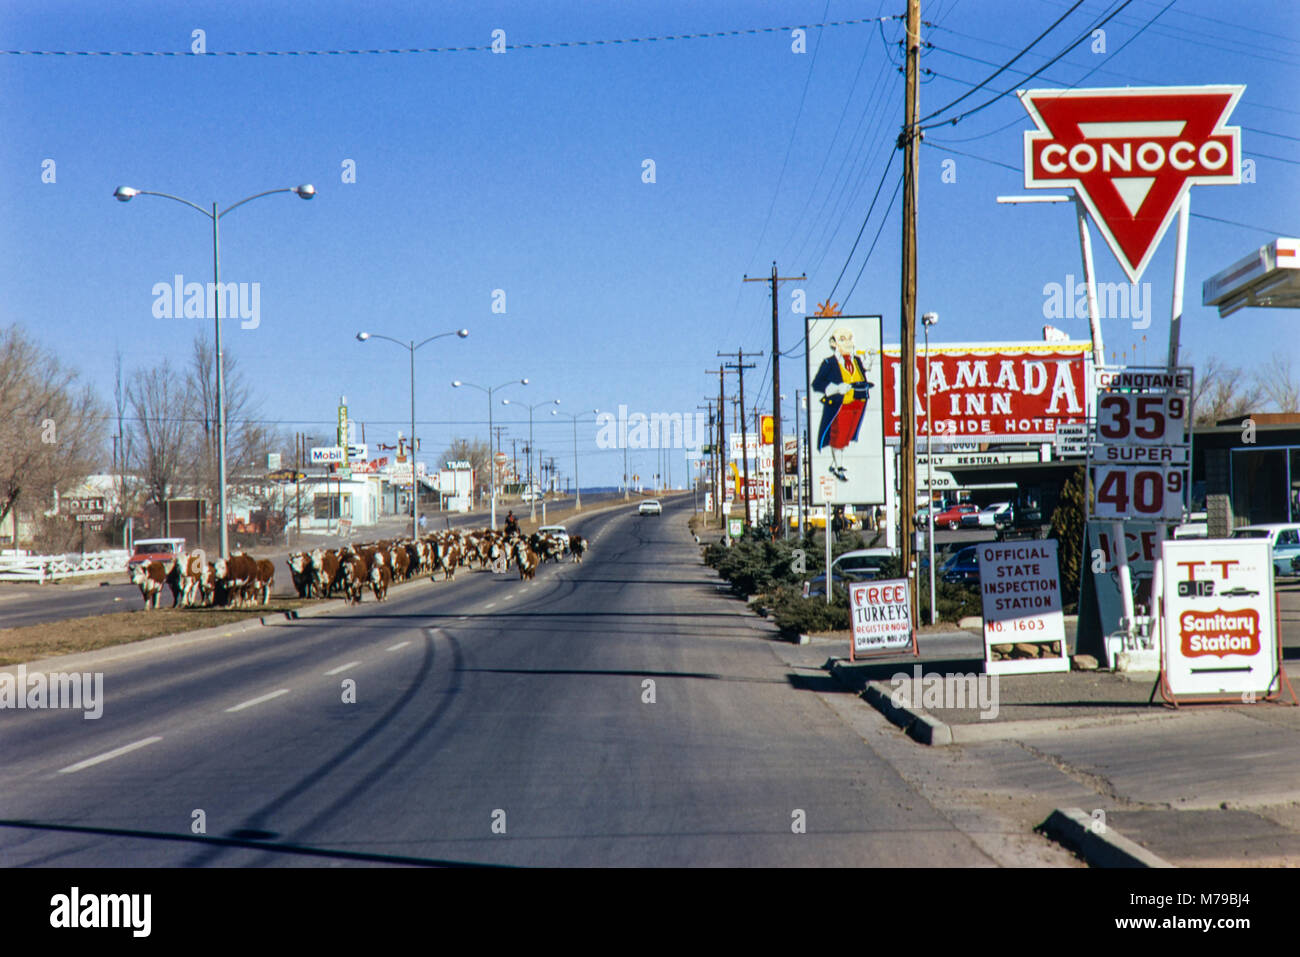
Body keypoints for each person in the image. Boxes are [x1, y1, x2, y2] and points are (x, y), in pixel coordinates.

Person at [811, 326, 875, 482]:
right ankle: (838, 467)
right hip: (841, 404)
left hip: (858, 401)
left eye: (849, 338)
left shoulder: (856, 360)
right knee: (838, 436)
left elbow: (862, 373)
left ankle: (835, 463)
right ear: (833, 343)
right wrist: (835, 388)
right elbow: (817, 384)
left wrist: (868, 361)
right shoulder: (829, 363)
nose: (847, 342)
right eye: (842, 339)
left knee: (848, 435)